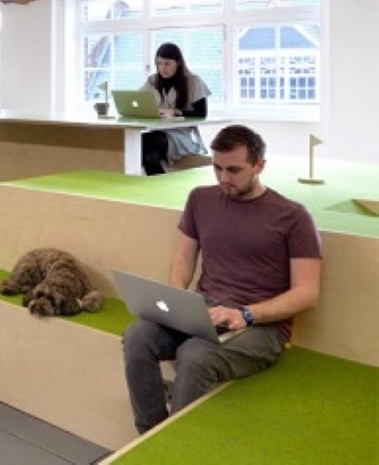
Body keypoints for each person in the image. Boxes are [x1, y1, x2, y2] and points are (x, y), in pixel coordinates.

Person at [121, 124, 321, 434]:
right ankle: (149, 435)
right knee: (137, 337)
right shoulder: (201, 199)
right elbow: (184, 257)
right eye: (217, 168)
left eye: (234, 170)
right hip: (204, 310)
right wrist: (177, 301)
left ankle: (175, 445)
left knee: (194, 356)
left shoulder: (293, 217)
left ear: (259, 165)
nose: (223, 178)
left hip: (261, 326)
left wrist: (246, 314)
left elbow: (307, 293)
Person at [140, 42, 210, 175]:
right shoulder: (152, 80)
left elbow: (201, 113)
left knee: (144, 141)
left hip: (180, 135)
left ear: (178, 62)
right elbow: (140, 100)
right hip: (157, 131)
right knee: (149, 156)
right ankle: (160, 188)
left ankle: (156, 186)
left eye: (167, 63)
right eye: (159, 63)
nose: (162, 68)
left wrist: (177, 112)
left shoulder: (193, 81)